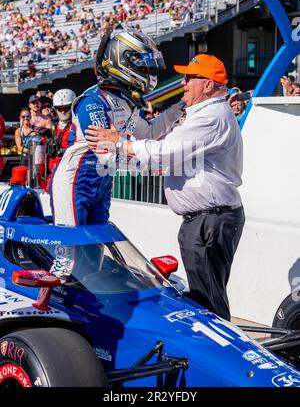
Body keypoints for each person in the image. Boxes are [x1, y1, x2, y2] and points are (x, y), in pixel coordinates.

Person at [86, 54, 245, 321]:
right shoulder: (208, 113)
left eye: (190, 78)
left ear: (207, 85)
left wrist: (120, 143)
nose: (184, 83)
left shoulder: (211, 116)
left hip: (209, 221)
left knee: (209, 304)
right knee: (208, 296)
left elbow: (165, 151)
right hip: (208, 220)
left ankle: (224, 358)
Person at [50, 30, 185, 226]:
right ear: (124, 62)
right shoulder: (92, 101)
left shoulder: (125, 101)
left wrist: (180, 107)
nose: (151, 72)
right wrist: (157, 165)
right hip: (75, 181)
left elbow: (150, 133)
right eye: (145, 66)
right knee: (73, 249)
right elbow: (107, 155)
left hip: (103, 182)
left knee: (96, 248)